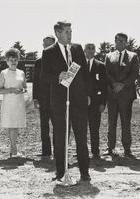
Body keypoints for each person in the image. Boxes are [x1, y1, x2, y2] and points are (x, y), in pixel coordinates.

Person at [41, 21, 91, 182]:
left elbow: (85, 74)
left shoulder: (77, 48)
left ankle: (85, 172)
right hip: (60, 102)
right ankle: (61, 172)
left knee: (81, 138)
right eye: (67, 32)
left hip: (79, 101)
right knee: (61, 137)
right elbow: (44, 76)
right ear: (57, 33)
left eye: (71, 31)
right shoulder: (48, 52)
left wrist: (88, 94)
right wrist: (58, 77)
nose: (70, 34)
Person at [104, 33, 139, 157]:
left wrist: (122, 85)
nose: (120, 43)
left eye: (123, 41)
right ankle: (110, 147)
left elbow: (135, 73)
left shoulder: (133, 56)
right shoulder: (108, 56)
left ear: (126, 42)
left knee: (125, 122)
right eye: (118, 40)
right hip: (112, 94)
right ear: (115, 41)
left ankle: (127, 149)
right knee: (111, 122)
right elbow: (106, 73)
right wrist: (114, 84)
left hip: (126, 95)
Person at [0, 48, 27, 157]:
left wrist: (22, 90)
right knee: (11, 126)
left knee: (16, 126)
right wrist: (11, 90)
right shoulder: (3, 73)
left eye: (15, 60)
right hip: (8, 102)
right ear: (7, 61)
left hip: (19, 102)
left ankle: (13, 148)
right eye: (10, 60)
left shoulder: (22, 73)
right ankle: (14, 149)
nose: (13, 62)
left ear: (18, 60)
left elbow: (25, 87)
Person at [33, 35, 56, 157]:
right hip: (43, 100)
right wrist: (35, 98)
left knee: (58, 127)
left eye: (49, 44)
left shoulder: (61, 60)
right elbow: (36, 81)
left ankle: (59, 151)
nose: (46, 46)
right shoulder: (38, 62)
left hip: (58, 100)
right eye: (44, 44)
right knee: (44, 127)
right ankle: (46, 152)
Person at [84, 43, 107, 159]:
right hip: (81, 103)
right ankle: (81, 151)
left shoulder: (101, 66)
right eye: (89, 48)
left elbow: (104, 86)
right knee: (81, 129)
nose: (91, 50)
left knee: (94, 128)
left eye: (93, 48)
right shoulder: (77, 64)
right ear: (84, 50)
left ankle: (95, 151)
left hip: (96, 103)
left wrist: (103, 103)